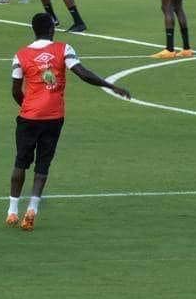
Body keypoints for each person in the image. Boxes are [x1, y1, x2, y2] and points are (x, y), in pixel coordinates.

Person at [8, 14, 130, 230]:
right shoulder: (63, 49)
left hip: (28, 117)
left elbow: (16, 90)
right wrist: (111, 86)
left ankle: (12, 211)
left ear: (33, 30)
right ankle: (32, 209)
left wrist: (27, 105)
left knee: (20, 162)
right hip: (54, 117)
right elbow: (83, 74)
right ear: (51, 30)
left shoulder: (20, 55)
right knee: (43, 164)